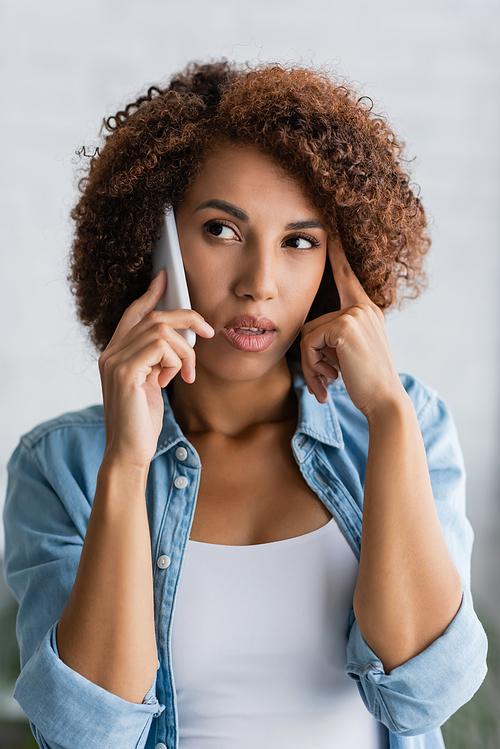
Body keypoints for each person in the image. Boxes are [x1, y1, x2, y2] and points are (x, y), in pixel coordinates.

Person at [3, 59, 487, 749]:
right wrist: (126, 462)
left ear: (337, 261)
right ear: (155, 238)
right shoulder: (60, 467)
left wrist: (387, 416)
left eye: (299, 242)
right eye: (222, 231)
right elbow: (88, 736)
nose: (260, 283)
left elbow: (425, 693)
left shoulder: (407, 424)